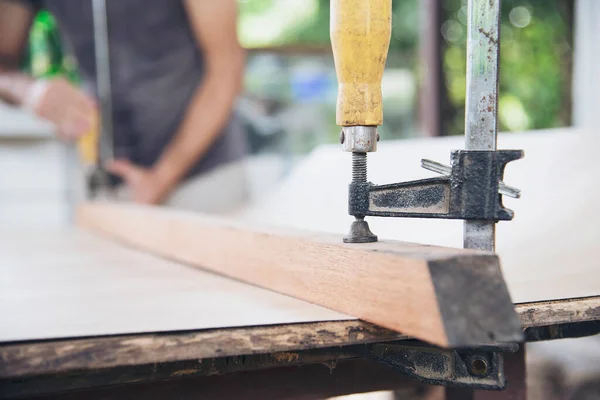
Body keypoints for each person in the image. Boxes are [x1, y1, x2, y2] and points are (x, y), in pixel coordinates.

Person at [0, 0, 248, 212]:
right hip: (102, 185)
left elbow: (227, 69)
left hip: (203, 182)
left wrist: (161, 178)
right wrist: (29, 90)